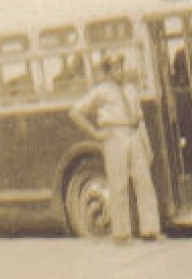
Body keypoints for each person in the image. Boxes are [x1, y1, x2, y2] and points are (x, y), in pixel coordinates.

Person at [69, 52, 162, 243]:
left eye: (121, 66)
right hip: (114, 136)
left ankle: (150, 230)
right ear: (107, 71)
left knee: (144, 181)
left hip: (134, 134)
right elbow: (75, 112)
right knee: (118, 184)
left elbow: (138, 117)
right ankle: (121, 233)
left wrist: (146, 145)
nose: (120, 71)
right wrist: (95, 133)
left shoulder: (130, 88)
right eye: (115, 68)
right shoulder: (101, 91)